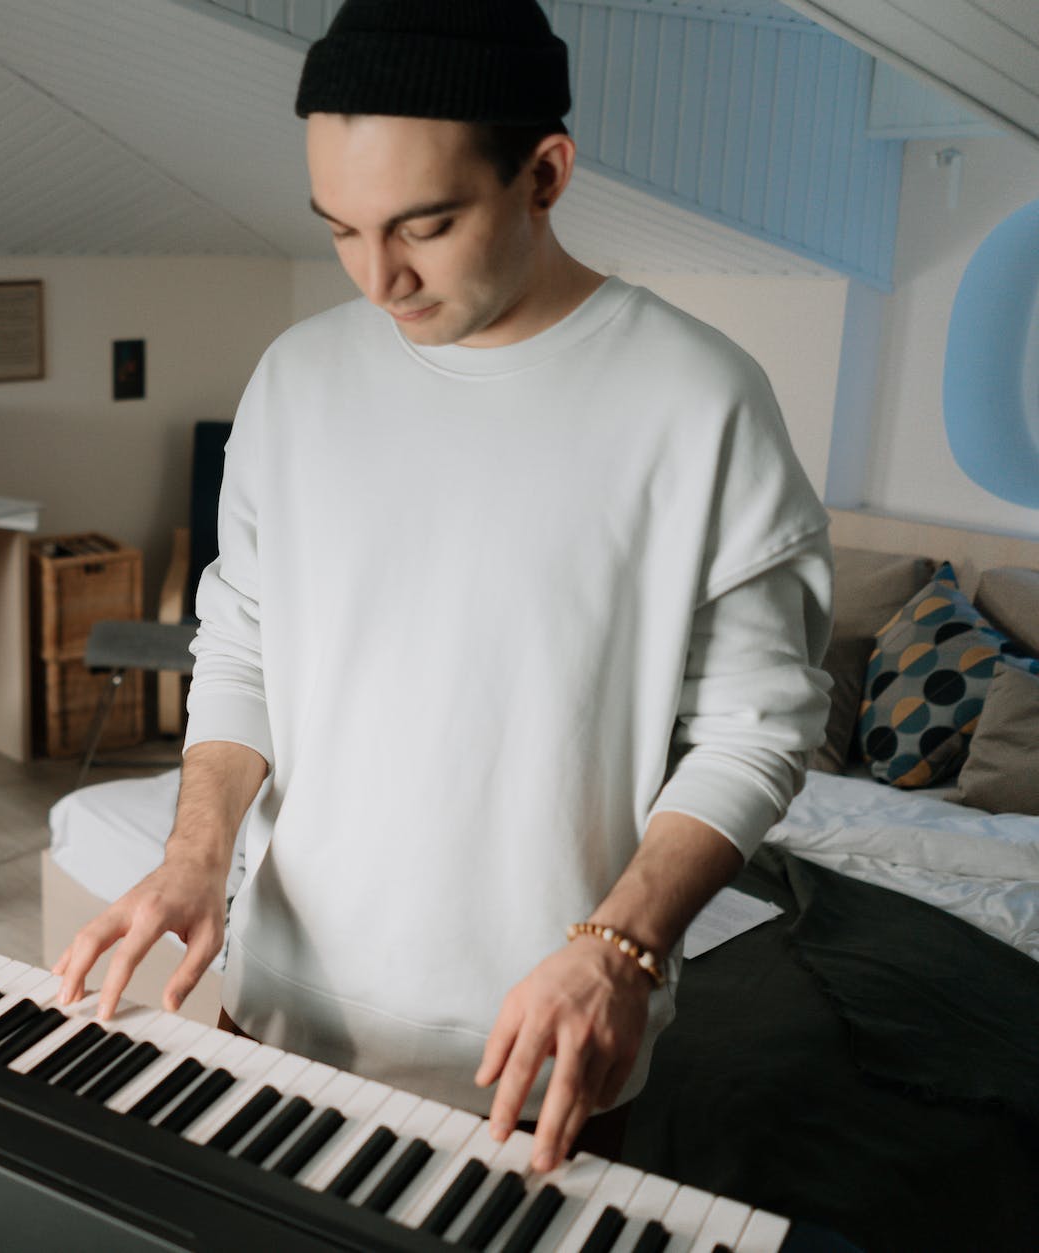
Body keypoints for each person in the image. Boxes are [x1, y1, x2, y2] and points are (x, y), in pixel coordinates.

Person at [54, 0, 832, 1176]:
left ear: (543, 174)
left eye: (425, 224)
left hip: (535, 1047)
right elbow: (243, 643)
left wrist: (618, 948)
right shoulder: (296, 379)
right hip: (274, 1015)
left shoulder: (698, 399)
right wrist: (194, 848)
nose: (379, 279)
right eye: (339, 230)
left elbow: (754, 728)